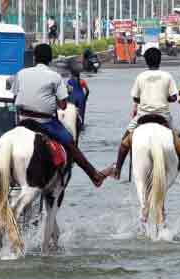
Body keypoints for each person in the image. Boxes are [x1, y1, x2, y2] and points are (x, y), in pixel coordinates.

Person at [11, 44, 108, 187]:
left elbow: (14, 97)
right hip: (45, 123)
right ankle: (94, 175)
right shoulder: (55, 77)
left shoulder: (21, 73)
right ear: (50, 59)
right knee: (70, 142)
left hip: (22, 120)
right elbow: (63, 105)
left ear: (34, 58)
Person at [110, 48, 180, 181]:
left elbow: (135, 99)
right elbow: (173, 97)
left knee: (124, 141)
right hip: (163, 116)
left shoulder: (140, 76)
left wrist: (144, 99)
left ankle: (118, 169)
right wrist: (164, 97)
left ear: (146, 61)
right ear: (159, 60)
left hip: (143, 116)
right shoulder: (167, 76)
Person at [66, 65, 89, 131]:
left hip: (72, 98)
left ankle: (73, 125)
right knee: (81, 113)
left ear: (72, 74)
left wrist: (68, 99)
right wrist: (85, 98)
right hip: (81, 98)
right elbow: (87, 90)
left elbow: (68, 91)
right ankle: (81, 126)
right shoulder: (82, 81)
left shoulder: (69, 81)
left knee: (72, 113)